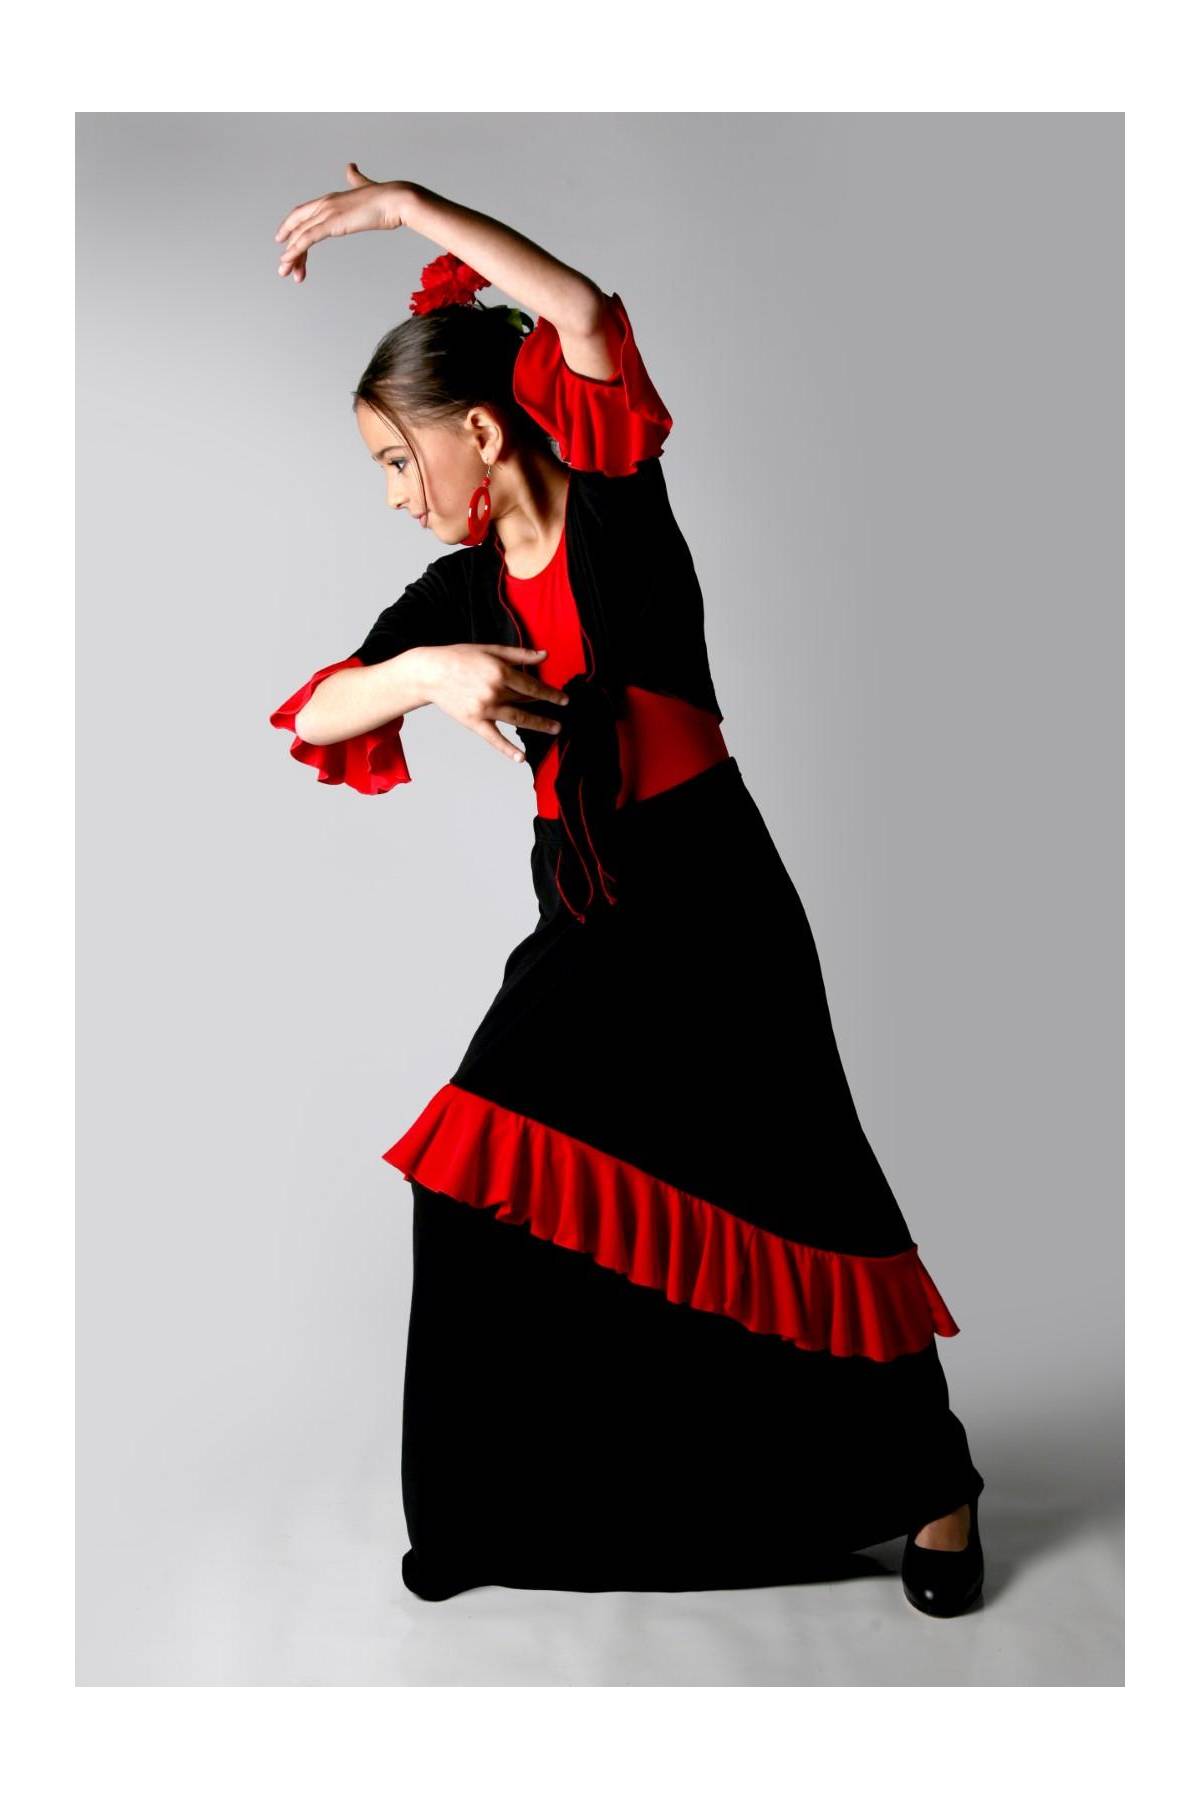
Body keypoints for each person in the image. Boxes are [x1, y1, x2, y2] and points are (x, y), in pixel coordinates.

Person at [268, 169, 986, 1617]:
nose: (398, 496)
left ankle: (937, 1488)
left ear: (480, 432)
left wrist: (411, 208)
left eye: (400, 462)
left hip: (712, 893)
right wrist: (427, 673)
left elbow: (584, 315)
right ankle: (495, 1506)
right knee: (475, 1180)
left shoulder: (611, 499)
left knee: (802, 1187)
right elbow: (318, 710)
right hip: (589, 912)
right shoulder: (464, 595)